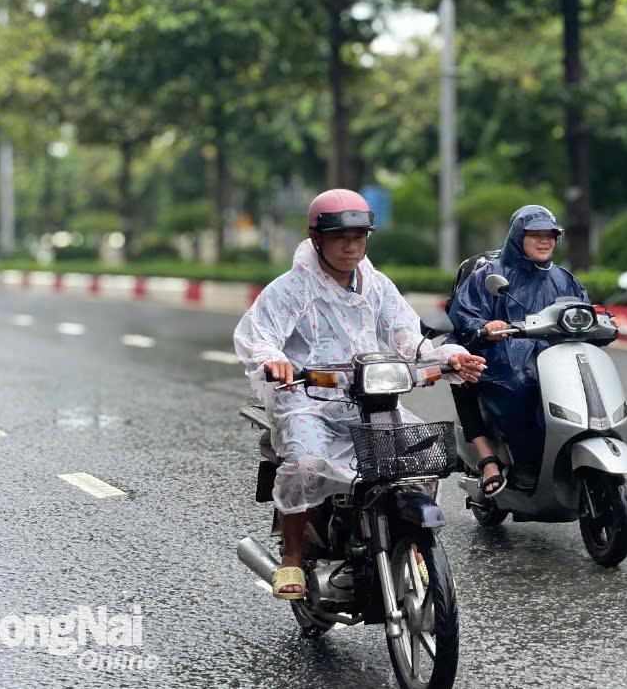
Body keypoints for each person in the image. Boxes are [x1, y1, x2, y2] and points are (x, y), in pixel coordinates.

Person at [233, 189, 485, 600]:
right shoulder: (291, 288)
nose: (351, 246)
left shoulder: (377, 285)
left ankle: (409, 541)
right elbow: (259, 336)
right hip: (306, 395)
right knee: (305, 460)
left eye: (359, 236)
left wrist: (449, 358)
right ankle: (293, 557)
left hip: (367, 392)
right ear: (317, 239)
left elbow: (410, 340)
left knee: (417, 455)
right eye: (340, 237)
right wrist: (274, 361)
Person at [447, 205, 597, 489]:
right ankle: (522, 461)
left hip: (554, 357)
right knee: (519, 384)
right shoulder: (489, 276)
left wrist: (600, 319)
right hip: (502, 357)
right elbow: (464, 313)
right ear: (518, 237)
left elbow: (583, 309)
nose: (545, 241)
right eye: (535, 234)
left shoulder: (563, 278)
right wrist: (486, 327)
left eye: (551, 235)